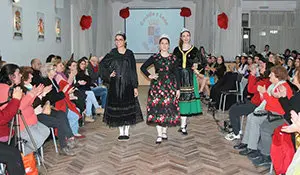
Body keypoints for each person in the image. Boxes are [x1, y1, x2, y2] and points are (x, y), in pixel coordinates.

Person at [101, 32, 143, 141]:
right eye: (116, 39)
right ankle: (121, 132)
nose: (118, 41)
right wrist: (109, 74)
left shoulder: (129, 54)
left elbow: (133, 71)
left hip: (128, 84)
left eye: (120, 39)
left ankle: (127, 131)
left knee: (127, 108)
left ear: (124, 41)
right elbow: (102, 65)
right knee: (118, 108)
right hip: (115, 85)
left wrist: (135, 86)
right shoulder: (112, 53)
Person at [141, 34, 181, 144]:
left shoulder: (173, 58)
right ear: (159, 45)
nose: (164, 45)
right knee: (158, 109)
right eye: (162, 43)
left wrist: (178, 88)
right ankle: (159, 134)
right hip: (157, 87)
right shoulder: (155, 57)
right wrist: (150, 76)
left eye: (166, 43)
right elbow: (143, 67)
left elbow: (177, 73)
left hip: (170, 87)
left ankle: (164, 132)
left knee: (167, 109)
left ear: (169, 46)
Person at [173, 28, 202, 135]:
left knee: (186, 100)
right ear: (181, 37)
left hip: (189, 77)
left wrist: (197, 69)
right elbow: (173, 64)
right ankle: (182, 123)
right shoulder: (177, 50)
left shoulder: (195, 50)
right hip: (179, 77)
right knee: (179, 100)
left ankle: (183, 125)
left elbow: (202, 62)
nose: (186, 38)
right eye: (183, 36)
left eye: (187, 35)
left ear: (190, 37)